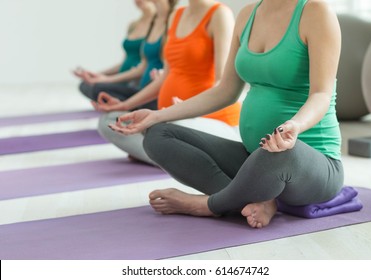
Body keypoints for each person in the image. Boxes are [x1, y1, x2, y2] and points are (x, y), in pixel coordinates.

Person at [108, 0, 344, 228]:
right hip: (254, 157)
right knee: (158, 135)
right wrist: (157, 115)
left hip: (308, 163)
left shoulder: (316, 11)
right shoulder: (247, 15)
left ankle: (206, 205)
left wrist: (295, 126)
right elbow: (225, 91)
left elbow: (322, 94)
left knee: (280, 154)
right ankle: (257, 200)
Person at [94, 0, 241, 164]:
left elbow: (222, 82)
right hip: (169, 117)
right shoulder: (176, 16)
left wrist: (185, 108)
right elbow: (165, 77)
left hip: (209, 119)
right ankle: (166, 157)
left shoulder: (220, 14)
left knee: (165, 130)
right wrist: (124, 105)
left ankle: (161, 154)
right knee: (109, 121)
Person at [73, 0, 167, 106]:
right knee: (85, 85)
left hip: (136, 81)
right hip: (125, 77)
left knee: (97, 87)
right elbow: (125, 62)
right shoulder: (135, 25)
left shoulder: (161, 24)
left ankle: (130, 103)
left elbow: (147, 67)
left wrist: (107, 79)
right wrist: (99, 75)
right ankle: (128, 103)